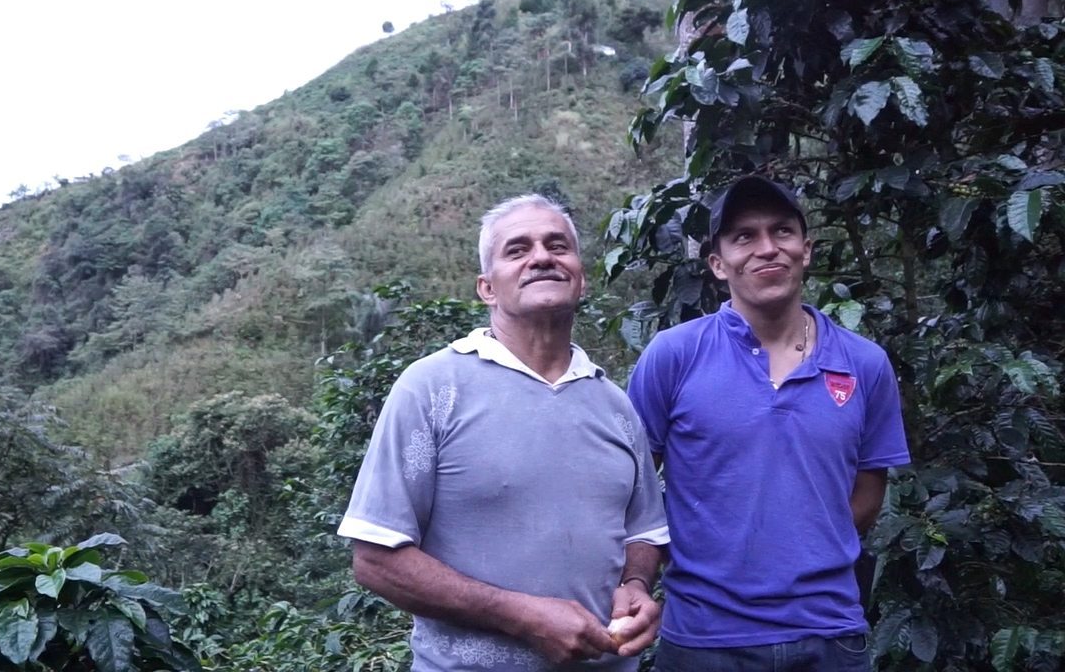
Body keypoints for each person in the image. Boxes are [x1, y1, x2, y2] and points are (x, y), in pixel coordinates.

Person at [339, 194, 670, 670]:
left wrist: (635, 587)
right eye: (517, 250)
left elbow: (645, 530)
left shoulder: (615, 405)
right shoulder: (433, 389)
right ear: (487, 288)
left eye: (558, 245)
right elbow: (375, 559)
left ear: (581, 277)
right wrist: (522, 616)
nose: (541, 257)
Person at [626, 176, 912, 671]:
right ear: (718, 263)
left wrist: (802, 549)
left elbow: (868, 493)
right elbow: (630, 488)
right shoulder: (674, 355)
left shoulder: (864, 364)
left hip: (831, 636)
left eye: (782, 231)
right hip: (702, 640)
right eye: (744, 236)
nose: (767, 249)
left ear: (806, 250)